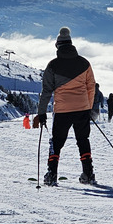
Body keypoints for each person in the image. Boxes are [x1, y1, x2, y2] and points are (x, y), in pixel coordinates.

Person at [36, 27, 96, 186]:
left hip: (62, 110)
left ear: (58, 46)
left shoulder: (53, 65)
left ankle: (52, 174)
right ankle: (88, 173)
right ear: (71, 44)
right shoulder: (84, 63)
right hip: (82, 108)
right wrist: (88, 107)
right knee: (83, 140)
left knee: (56, 142)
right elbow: (91, 87)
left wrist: (41, 113)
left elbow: (47, 91)